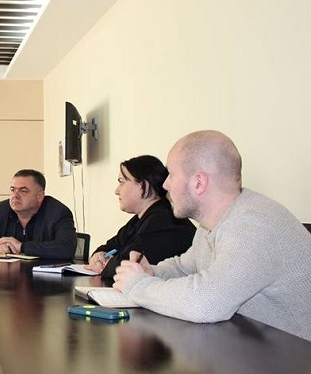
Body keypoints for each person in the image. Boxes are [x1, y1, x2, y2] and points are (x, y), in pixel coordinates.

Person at [113, 130, 311, 341]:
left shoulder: (254, 224)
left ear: (199, 183)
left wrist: (139, 285)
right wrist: (153, 272)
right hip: (252, 346)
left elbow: (204, 304)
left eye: (171, 174)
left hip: (295, 355)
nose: (165, 185)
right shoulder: (212, 225)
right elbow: (184, 267)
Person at [85, 155, 195, 279]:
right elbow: (110, 247)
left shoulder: (163, 220)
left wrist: (107, 264)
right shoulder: (140, 219)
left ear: (144, 187)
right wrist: (99, 256)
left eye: (122, 182)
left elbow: (127, 267)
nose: (117, 191)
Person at [0, 169, 76, 259]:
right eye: (13, 190)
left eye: (23, 191)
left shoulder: (57, 212)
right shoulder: (2, 210)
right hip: (9, 275)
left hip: (45, 277)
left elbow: (67, 248)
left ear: (39, 196)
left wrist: (22, 247)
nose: (15, 195)